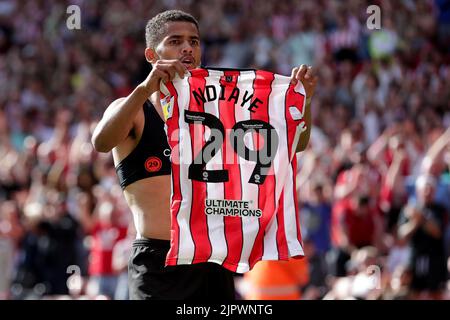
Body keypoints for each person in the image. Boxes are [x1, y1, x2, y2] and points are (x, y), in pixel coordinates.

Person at [91, 9, 317, 300]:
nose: (187, 47)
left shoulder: (218, 109)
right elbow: (101, 141)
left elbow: (294, 144)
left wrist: (305, 102)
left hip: (211, 256)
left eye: (194, 42)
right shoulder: (135, 108)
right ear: (150, 54)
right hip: (159, 262)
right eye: (175, 41)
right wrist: (145, 88)